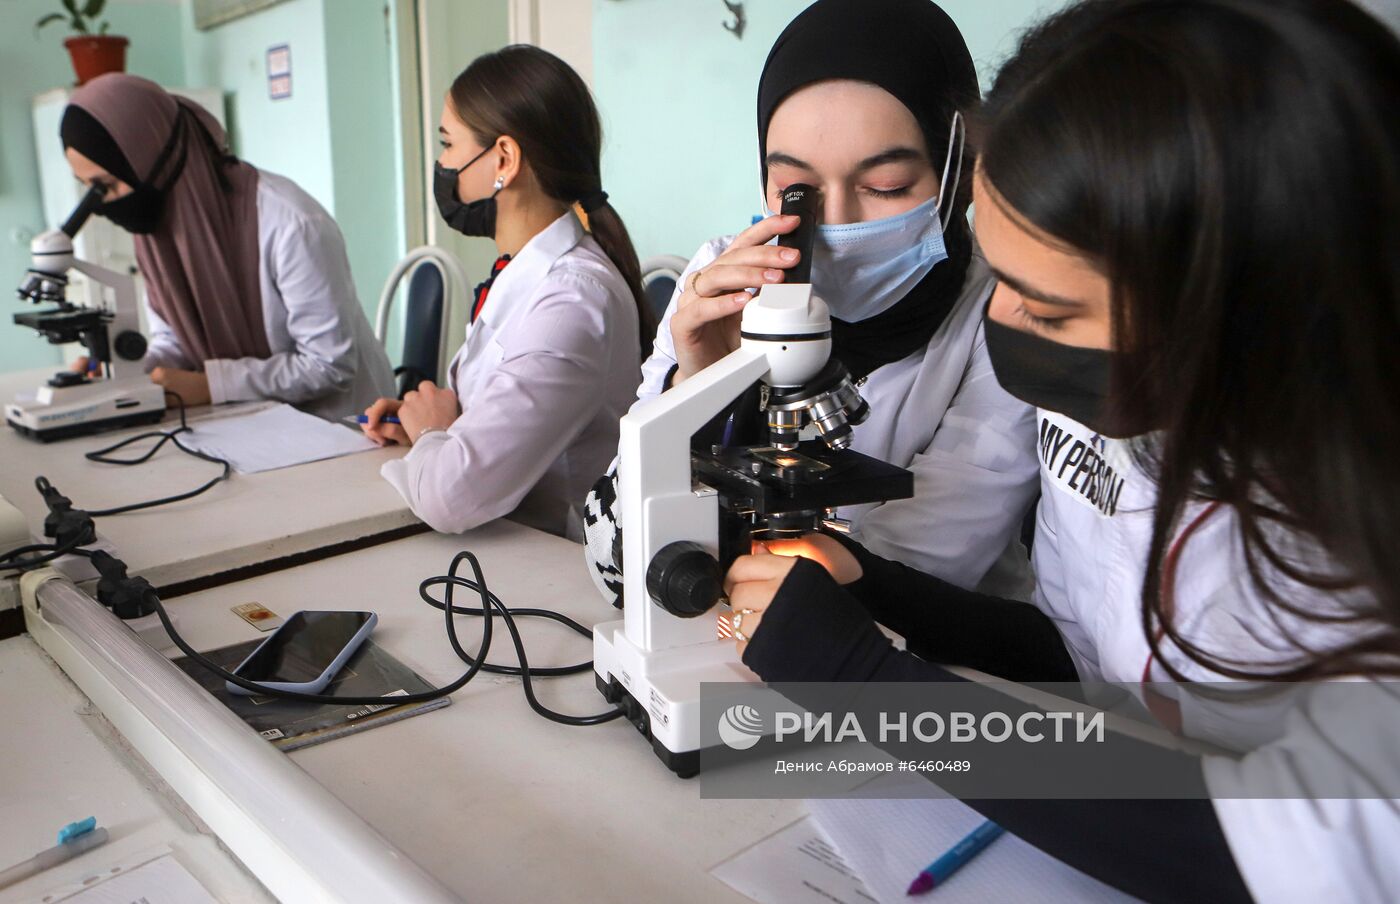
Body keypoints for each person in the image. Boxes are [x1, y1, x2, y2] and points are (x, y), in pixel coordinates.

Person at [724, 1, 1400, 901]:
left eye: (1045, 308)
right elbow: (1083, 654)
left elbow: (1310, 849)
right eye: (999, 277)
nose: (1001, 322)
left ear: (1238, 305)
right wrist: (873, 587)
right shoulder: (1104, 409)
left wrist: (868, 685)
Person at [582, 0, 1041, 607]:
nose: (836, 223)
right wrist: (693, 389)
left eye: (886, 187)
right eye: (796, 191)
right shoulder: (717, 281)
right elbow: (612, 551)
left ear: (956, 171)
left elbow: (923, 561)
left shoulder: (1003, 312)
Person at [362, 46, 651, 540]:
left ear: (504, 159)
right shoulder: (525, 271)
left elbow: (450, 497)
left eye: (448, 143)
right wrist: (429, 423)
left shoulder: (573, 303)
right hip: (506, 550)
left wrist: (434, 435)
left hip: (550, 574)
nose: (441, 162)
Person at [60, 74, 393, 420]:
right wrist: (128, 372)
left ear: (150, 160)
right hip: (248, 422)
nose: (101, 206)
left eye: (108, 186)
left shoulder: (293, 224)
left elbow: (329, 366)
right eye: (88, 189)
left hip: (342, 425)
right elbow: (175, 341)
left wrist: (211, 385)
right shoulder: (158, 235)